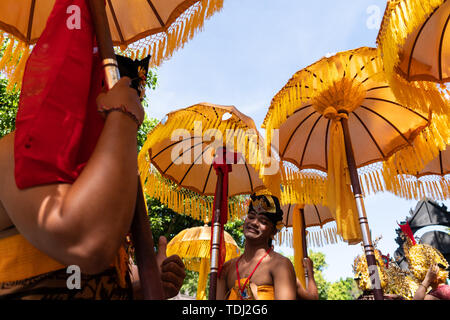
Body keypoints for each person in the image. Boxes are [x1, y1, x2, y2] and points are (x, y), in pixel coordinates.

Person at [0, 78, 185, 299]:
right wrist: (124, 115)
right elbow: (85, 247)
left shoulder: (119, 184)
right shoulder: (16, 150)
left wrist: (150, 285)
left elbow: (89, 285)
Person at [217, 194, 297, 300]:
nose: (254, 222)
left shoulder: (280, 264)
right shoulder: (227, 268)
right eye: (251, 217)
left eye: (263, 221)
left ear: (273, 230)